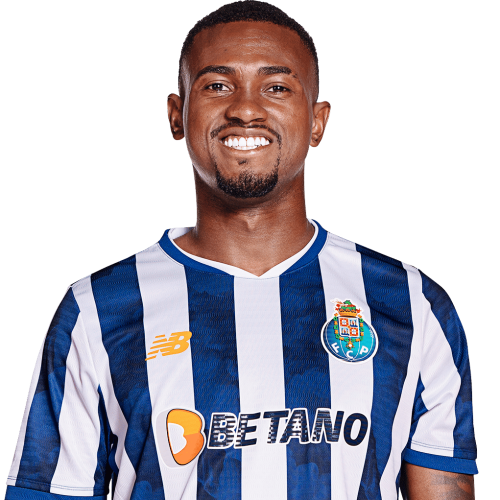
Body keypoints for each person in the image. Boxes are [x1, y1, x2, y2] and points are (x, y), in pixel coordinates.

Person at [5, 2, 477, 499]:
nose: (246, 109)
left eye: (277, 87)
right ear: (176, 116)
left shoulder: (411, 304)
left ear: (318, 122)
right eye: (217, 86)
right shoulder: (98, 308)